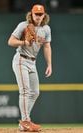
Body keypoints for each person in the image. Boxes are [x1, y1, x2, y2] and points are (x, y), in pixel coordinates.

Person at [8, 4, 52, 132]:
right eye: (36, 14)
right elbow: (10, 41)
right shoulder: (23, 25)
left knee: (35, 92)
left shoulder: (46, 29)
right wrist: (23, 42)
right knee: (25, 91)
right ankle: (26, 121)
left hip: (33, 62)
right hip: (21, 59)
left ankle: (24, 122)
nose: (38, 16)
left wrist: (49, 64)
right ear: (31, 14)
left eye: (40, 14)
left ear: (44, 15)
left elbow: (47, 46)